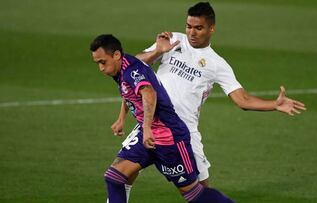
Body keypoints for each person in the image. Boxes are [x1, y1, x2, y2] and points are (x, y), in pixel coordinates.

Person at [113, 2, 306, 202]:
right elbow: (134, 70)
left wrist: (274, 104)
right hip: (152, 124)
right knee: (118, 175)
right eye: (189, 26)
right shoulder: (173, 40)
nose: (192, 32)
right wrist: (158, 51)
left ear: (211, 29)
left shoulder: (217, 64)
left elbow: (243, 100)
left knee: (199, 193)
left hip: (184, 131)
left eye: (198, 28)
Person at [90, 34, 235, 203]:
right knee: (114, 177)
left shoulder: (132, 70)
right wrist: (121, 118)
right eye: (97, 63)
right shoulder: (122, 67)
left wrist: (146, 128)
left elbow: (149, 94)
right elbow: (129, 91)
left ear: (116, 55)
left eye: (102, 62)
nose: (100, 68)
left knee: (194, 194)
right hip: (149, 136)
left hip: (169, 137)